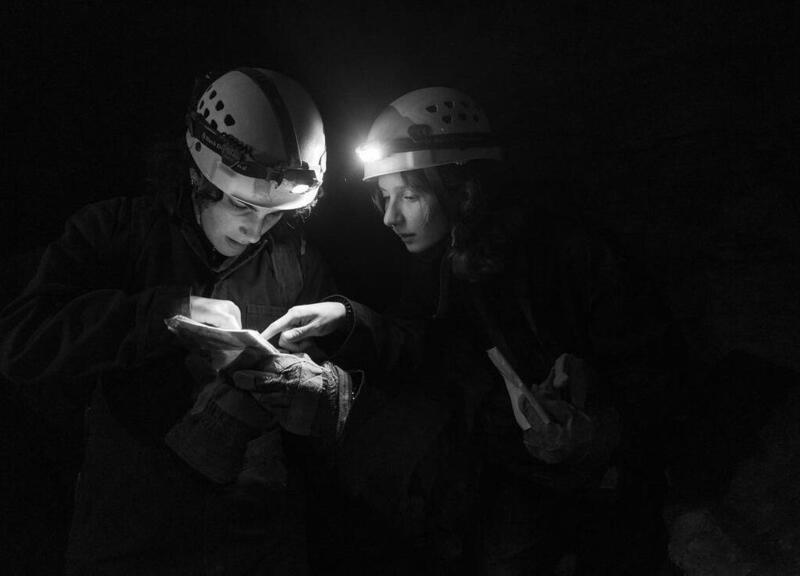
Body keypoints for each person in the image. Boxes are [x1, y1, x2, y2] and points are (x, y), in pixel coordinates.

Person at [264, 87, 683, 574]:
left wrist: (599, 429)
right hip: (520, 478)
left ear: (463, 193)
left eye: (410, 195)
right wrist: (346, 319)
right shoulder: (443, 262)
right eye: (384, 196)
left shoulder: (568, 257)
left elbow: (657, 378)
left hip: (608, 484)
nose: (390, 216)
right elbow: (422, 344)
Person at [0, 67, 358, 575]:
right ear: (197, 174)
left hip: (251, 541)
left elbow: (343, 389)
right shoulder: (119, 233)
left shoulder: (296, 262)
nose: (255, 230)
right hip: (129, 537)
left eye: (275, 213)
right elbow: (20, 340)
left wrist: (322, 391)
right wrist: (168, 313)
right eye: (241, 204)